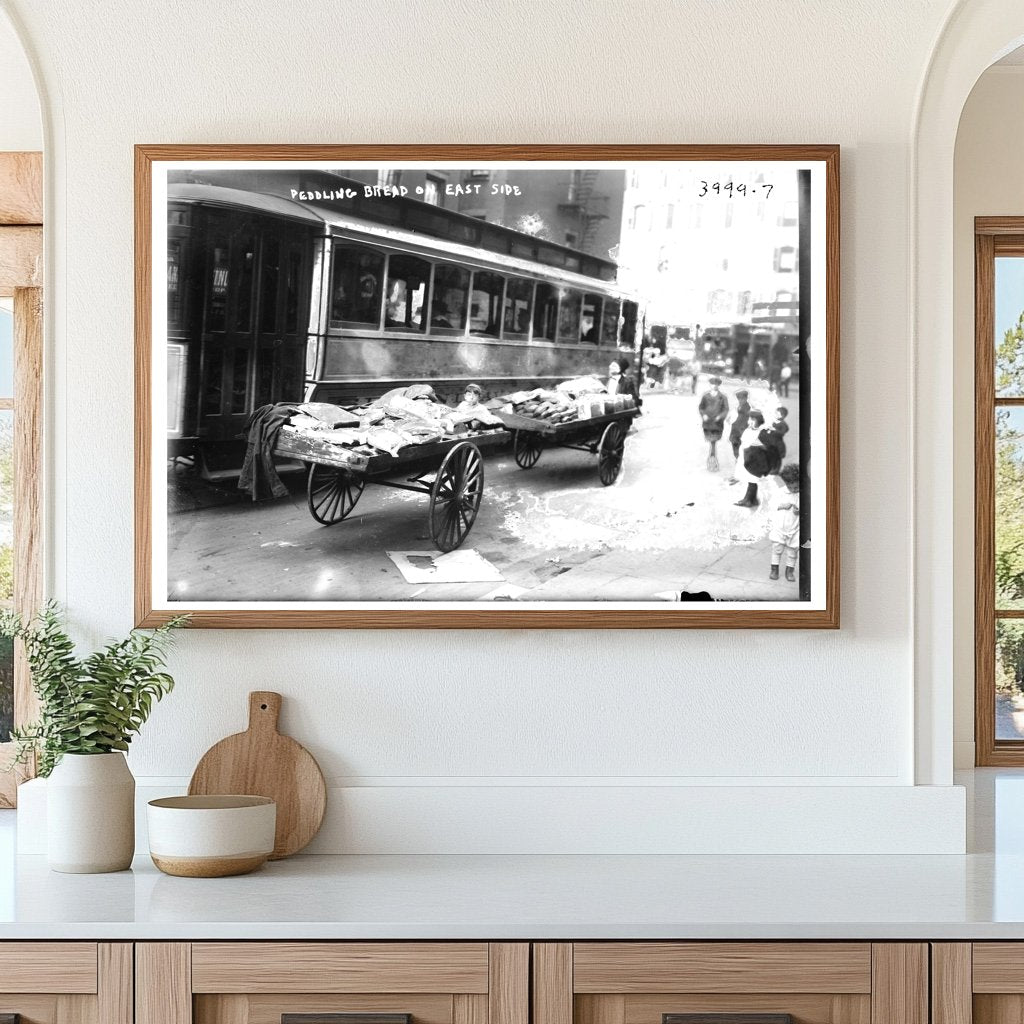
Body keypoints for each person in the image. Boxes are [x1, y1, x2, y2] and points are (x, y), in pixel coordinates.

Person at [768, 462, 801, 582]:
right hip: (780, 527)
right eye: (790, 487)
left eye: (796, 487)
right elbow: (771, 505)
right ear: (786, 483)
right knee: (777, 548)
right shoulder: (780, 492)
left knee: (793, 551)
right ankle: (774, 569)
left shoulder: (801, 494)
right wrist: (782, 506)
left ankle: (789, 571)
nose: (793, 490)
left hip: (795, 527)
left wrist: (799, 510)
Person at [734, 409, 767, 507]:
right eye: (750, 419)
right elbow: (743, 440)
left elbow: (764, 445)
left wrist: (756, 445)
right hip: (745, 457)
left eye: (753, 420)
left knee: (752, 479)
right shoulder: (749, 430)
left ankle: (748, 500)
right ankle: (752, 499)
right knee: (750, 480)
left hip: (753, 459)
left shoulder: (761, 432)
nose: (750, 422)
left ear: (759, 421)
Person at [698, 376, 729, 471]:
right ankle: (712, 460)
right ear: (710, 385)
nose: (714, 386)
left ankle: (712, 460)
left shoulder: (722, 397)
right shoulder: (705, 396)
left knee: (713, 442)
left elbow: (726, 409)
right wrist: (703, 415)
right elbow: (701, 407)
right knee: (711, 441)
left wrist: (720, 416)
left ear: (718, 386)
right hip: (707, 423)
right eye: (712, 384)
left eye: (716, 384)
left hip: (717, 424)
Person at [726, 389, 750, 483]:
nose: (740, 400)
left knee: (739, 456)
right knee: (737, 455)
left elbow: (744, 422)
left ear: (746, 398)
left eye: (742, 399)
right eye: (739, 399)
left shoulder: (746, 409)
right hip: (736, 433)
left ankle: (739, 475)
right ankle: (739, 474)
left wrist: (734, 424)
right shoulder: (741, 407)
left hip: (740, 434)